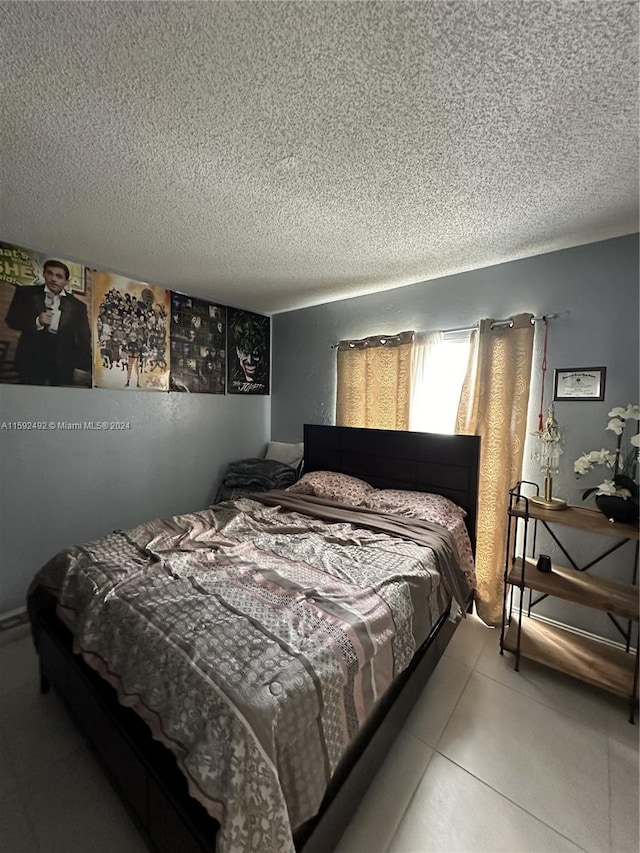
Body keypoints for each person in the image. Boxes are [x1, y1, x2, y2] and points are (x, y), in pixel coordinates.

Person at [5, 259, 91, 386]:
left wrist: (82, 367)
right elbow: (12, 320)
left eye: (59, 276)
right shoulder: (26, 293)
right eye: (50, 273)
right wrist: (37, 322)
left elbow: (84, 338)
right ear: (44, 274)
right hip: (31, 358)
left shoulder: (78, 306)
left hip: (63, 362)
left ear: (66, 281)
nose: (53, 279)